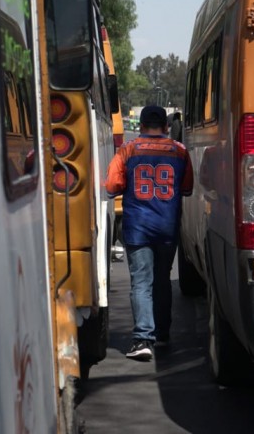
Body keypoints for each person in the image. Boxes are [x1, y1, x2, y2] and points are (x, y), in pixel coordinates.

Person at [105, 105, 193, 361]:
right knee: (162, 279)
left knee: (142, 283)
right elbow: (187, 188)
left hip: (138, 227)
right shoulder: (180, 151)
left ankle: (143, 338)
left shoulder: (128, 150)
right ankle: (163, 333)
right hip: (167, 226)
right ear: (166, 127)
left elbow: (112, 185)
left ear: (141, 125)